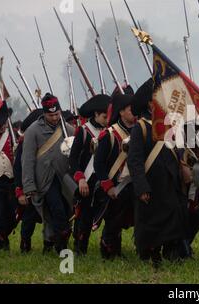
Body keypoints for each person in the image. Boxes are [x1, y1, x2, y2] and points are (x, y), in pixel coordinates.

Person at [128, 78, 188, 267]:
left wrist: (183, 168)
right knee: (150, 221)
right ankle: (150, 253)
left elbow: (179, 151)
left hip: (171, 181)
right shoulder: (142, 127)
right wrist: (141, 186)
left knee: (173, 217)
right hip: (151, 182)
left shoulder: (172, 125)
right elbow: (134, 160)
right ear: (150, 104)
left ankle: (172, 251)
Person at [22, 93, 75, 254]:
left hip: (64, 178)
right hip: (45, 179)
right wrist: (29, 185)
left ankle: (56, 242)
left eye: (57, 114)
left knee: (66, 211)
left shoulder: (68, 129)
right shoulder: (33, 131)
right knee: (56, 210)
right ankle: (62, 247)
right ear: (44, 114)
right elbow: (28, 160)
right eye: (51, 115)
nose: (54, 118)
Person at [94, 91, 135, 259]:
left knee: (126, 218)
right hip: (115, 185)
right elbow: (99, 163)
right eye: (130, 109)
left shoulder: (139, 131)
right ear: (121, 112)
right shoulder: (109, 134)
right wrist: (107, 185)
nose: (133, 112)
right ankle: (108, 249)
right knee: (114, 220)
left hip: (133, 183)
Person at [69, 94, 110, 255]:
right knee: (84, 217)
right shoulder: (84, 131)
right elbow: (73, 157)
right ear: (96, 114)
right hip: (87, 181)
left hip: (105, 180)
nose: (107, 120)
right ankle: (80, 249)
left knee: (111, 215)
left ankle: (110, 249)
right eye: (104, 116)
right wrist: (80, 179)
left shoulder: (110, 131)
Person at [14, 109, 43, 252]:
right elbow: (19, 167)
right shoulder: (24, 142)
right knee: (29, 216)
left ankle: (49, 244)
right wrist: (20, 190)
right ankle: (25, 243)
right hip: (31, 184)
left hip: (47, 182)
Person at [0, 99, 15, 250]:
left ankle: (2, 234)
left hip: (10, 180)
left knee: (11, 215)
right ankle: (1, 243)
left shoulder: (11, 134)